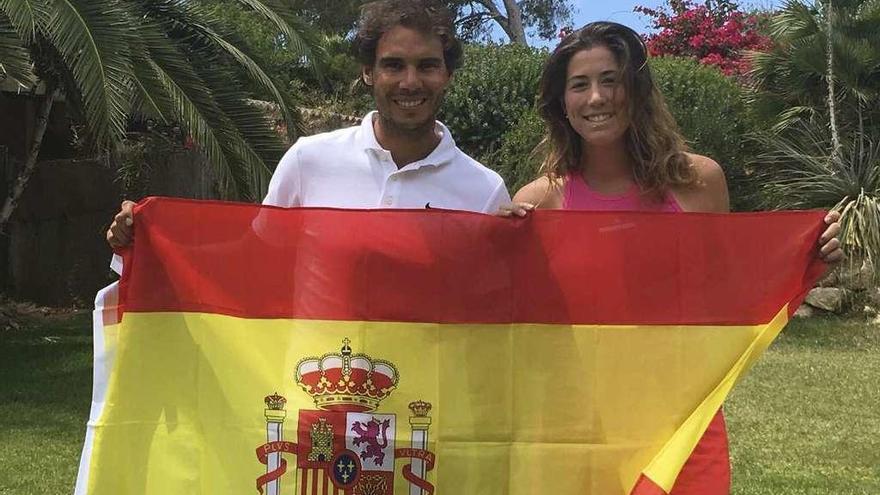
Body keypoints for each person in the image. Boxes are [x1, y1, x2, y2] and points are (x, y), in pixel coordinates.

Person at [497, 21, 843, 494]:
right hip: (580, 427)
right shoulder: (540, 202)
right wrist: (501, 247)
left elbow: (725, 296)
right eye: (579, 85)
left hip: (683, 423)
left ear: (637, 90)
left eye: (611, 79)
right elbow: (523, 325)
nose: (596, 97)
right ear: (562, 103)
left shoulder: (699, 183)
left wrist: (807, 254)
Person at [106, 0, 509, 248]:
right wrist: (153, 238)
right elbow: (256, 260)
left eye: (427, 66)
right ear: (368, 72)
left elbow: (503, 304)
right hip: (316, 381)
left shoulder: (485, 191)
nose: (409, 82)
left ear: (447, 76)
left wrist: (531, 238)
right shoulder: (308, 161)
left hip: (431, 386)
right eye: (393, 65)